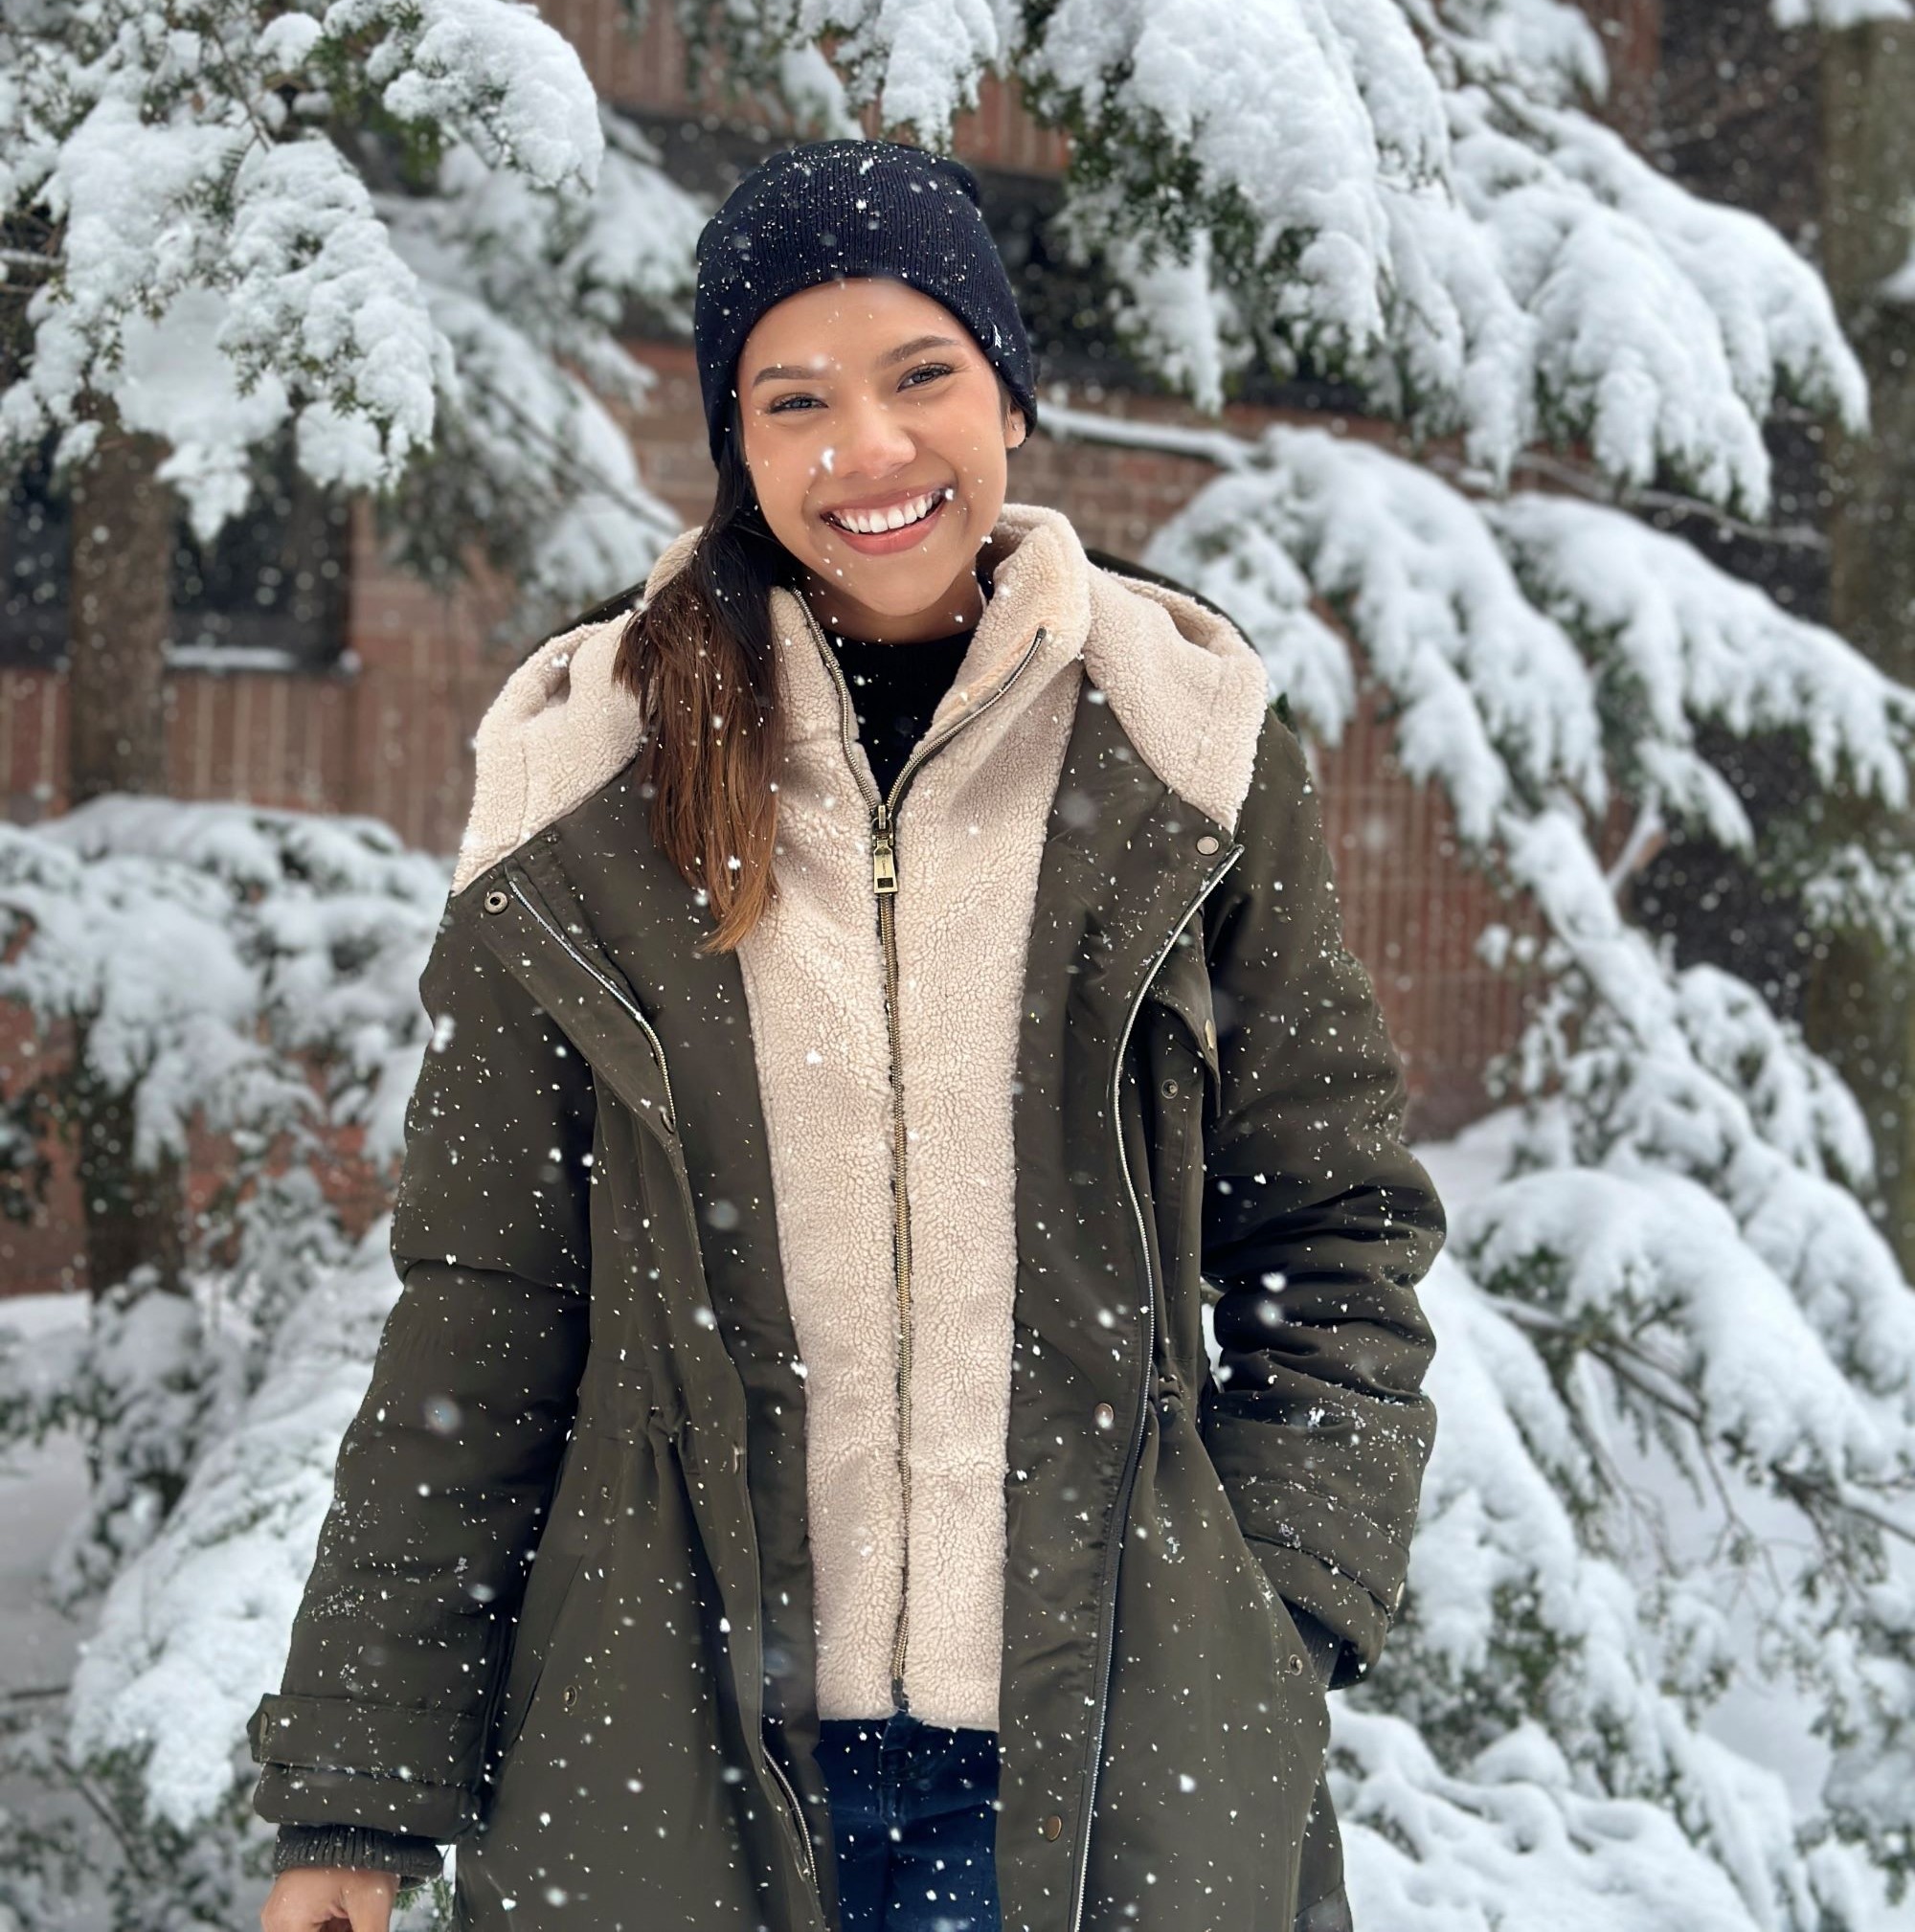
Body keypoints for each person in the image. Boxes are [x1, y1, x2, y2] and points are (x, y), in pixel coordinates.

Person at [252, 139, 1445, 1932]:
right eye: (793, 398)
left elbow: (1334, 1231)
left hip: (1109, 1745)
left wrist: (1271, 1611)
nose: (866, 452)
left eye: (920, 377)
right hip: (670, 1763)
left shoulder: (1178, 749)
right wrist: (358, 1792)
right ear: (737, 446)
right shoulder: (590, 779)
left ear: (1012, 397)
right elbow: (482, 1313)